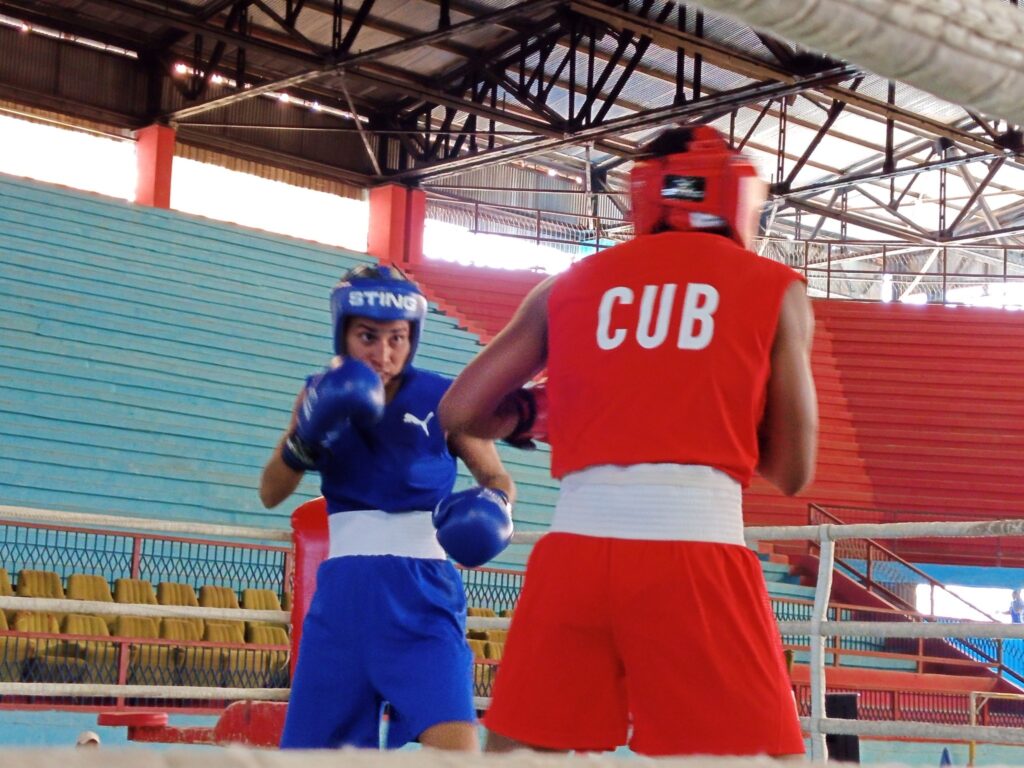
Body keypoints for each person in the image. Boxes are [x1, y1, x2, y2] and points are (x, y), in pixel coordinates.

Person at [438, 126, 818, 757]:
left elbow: (462, 411)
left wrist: (540, 409)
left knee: (521, 757)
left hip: (574, 556)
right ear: (738, 197)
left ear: (643, 194)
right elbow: (793, 470)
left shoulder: (568, 283)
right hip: (694, 558)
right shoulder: (776, 288)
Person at [259, 264, 516, 752]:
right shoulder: (317, 393)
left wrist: (496, 505)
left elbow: (496, 475)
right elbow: (270, 492)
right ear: (344, 334)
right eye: (368, 337)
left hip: (425, 597)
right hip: (343, 601)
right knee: (314, 760)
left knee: (456, 747)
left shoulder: (444, 397)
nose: (384, 353)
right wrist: (303, 442)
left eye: (397, 338)